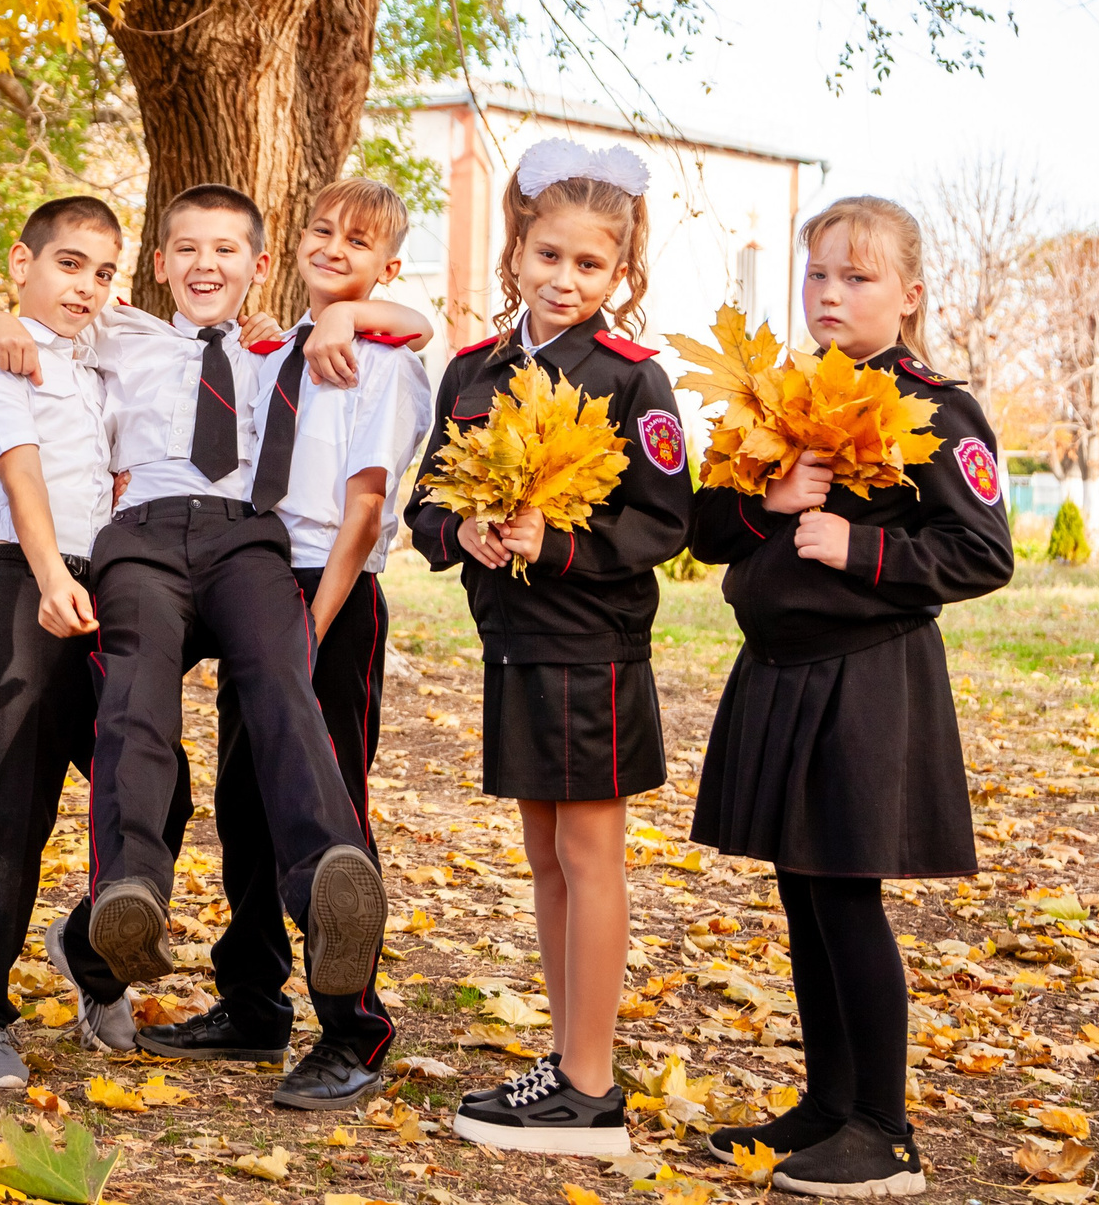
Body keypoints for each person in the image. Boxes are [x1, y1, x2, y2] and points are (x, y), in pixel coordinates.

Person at [0, 185, 424, 1030]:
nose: (204, 265)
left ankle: (329, 871)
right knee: (134, 698)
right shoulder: (121, 331)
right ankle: (132, 887)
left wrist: (346, 314)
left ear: (259, 267)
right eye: (185, 249)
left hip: (245, 537)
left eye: (226, 251)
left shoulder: (274, 352)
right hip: (140, 535)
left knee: (282, 677)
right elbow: (42, 309)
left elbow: (414, 328)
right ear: (155, 266)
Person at [690, 197, 1012, 1199]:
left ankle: (884, 1129)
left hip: (866, 674)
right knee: (800, 885)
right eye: (817, 274)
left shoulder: (935, 407)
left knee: (843, 889)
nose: (830, 293)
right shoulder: (774, 397)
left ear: (909, 295)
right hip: (779, 669)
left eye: (857, 277)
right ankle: (827, 1105)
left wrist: (859, 546)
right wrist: (764, 503)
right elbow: (704, 530)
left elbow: (982, 550)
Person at [406, 139, 691, 1155]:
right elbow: (423, 506)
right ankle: (567, 1062)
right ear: (515, 251)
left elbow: (666, 522)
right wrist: (464, 534)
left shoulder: (629, 377)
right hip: (512, 643)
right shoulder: (474, 370)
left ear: (622, 275)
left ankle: (591, 1083)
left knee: (588, 852)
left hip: (592, 644)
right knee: (543, 858)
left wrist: (557, 544)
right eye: (549, 256)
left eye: (591, 265)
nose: (566, 280)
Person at [132, 178, 432, 1111]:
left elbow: (366, 505)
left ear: (388, 266)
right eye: (323, 230)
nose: (335, 247)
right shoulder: (272, 350)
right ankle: (252, 1000)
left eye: (361, 241)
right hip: (251, 580)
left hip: (328, 594)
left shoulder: (380, 359)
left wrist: (314, 625)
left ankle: (355, 1026)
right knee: (246, 801)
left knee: (325, 800)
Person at [0, 195, 164, 1088]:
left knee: (153, 785)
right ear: (20, 260)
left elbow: (186, 332)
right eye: (70, 263)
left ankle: (89, 951)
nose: (89, 285)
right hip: (16, 581)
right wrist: (52, 579)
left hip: (98, 584)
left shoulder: (100, 351)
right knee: (13, 807)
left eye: (104, 271)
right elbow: (22, 476)